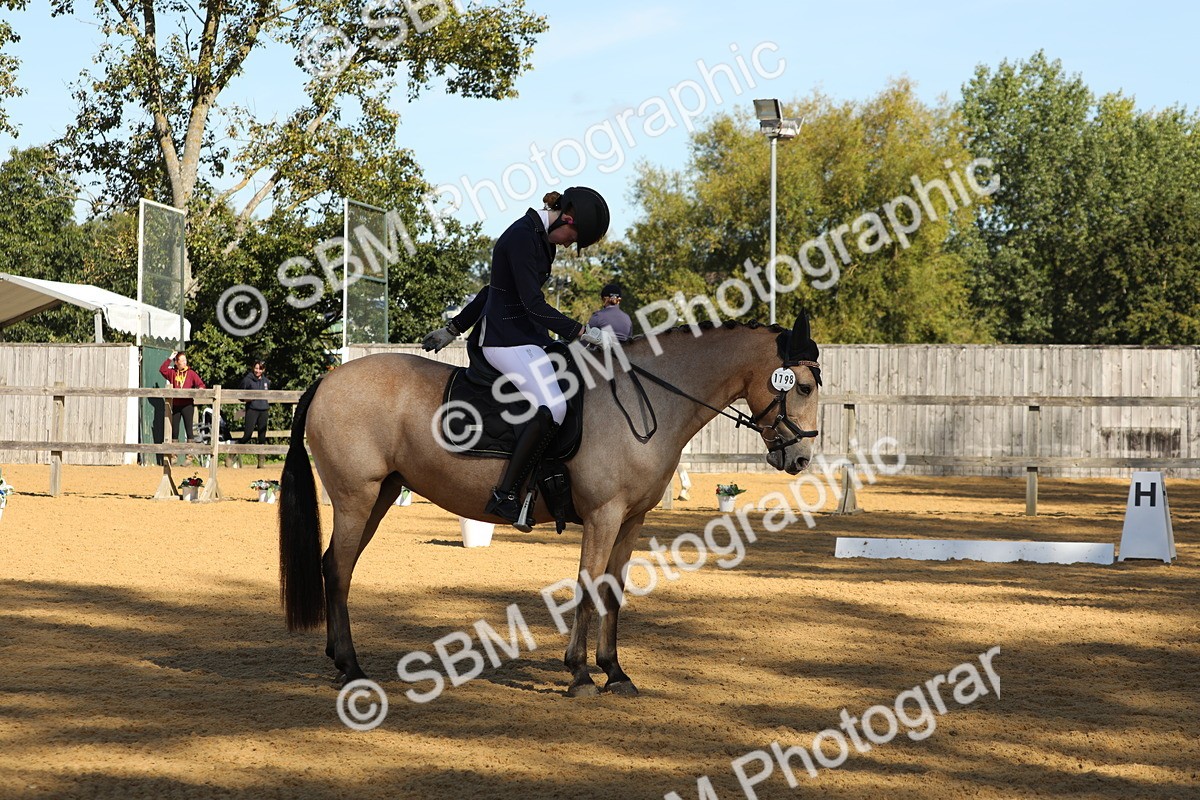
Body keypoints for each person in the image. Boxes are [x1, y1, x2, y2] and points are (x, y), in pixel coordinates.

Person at [421, 186, 616, 530]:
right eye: (573, 239)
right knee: (554, 406)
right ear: (568, 219)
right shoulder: (522, 237)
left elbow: (493, 291)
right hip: (504, 341)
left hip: (528, 338)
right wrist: (581, 332)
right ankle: (505, 494)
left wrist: (453, 328)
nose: (569, 245)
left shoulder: (542, 239)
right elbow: (532, 304)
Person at [160, 350, 206, 449]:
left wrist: (200, 389)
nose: (185, 362)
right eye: (182, 360)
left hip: (187, 405)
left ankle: (189, 454)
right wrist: (170, 358)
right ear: (176, 362)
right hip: (176, 405)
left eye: (185, 360)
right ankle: (174, 453)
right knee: (175, 431)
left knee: (189, 431)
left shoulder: (191, 373)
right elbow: (162, 370)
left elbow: (201, 384)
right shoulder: (172, 373)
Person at [239, 360, 270, 458]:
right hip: (252, 409)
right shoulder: (247, 380)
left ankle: (261, 460)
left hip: (264, 410)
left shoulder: (266, 381)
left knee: (262, 437)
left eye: (260, 369)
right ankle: (232, 453)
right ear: (253, 368)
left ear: (263, 370)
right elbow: (239, 394)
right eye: (256, 368)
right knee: (247, 435)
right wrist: (247, 399)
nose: (258, 371)